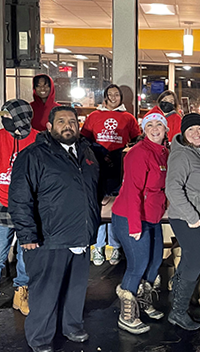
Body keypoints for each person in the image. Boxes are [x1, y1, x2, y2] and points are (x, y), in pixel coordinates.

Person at [9, 106, 100, 352]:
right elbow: (19, 197)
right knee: (45, 291)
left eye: (72, 121)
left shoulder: (86, 152)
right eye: (61, 121)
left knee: (76, 286)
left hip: (80, 233)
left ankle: (72, 326)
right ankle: (39, 336)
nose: (68, 125)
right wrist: (27, 234)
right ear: (49, 127)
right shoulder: (34, 155)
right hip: (48, 236)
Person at [0, 99, 39, 330]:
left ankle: (21, 293)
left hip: (29, 209)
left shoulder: (38, 138)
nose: (4, 121)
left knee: (25, 255)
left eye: (9, 116)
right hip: (2, 205)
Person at [111, 112, 170, 335]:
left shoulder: (164, 152)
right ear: (144, 129)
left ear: (166, 129)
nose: (155, 129)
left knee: (155, 262)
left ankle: (143, 303)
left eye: (159, 125)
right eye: (150, 125)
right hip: (130, 216)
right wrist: (135, 226)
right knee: (138, 264)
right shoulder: (137, 154)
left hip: (152, 217)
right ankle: (127, 314)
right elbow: (132, 192)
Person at [81, 84, 141, 266]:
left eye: (117, 94)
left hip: (118, 166)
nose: (114, 97)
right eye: (110, 94)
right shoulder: (94, 116)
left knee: (116, 205)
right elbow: (85, 139)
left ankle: (115, 246)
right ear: (105, 96)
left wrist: (119, 155)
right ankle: (97, 245)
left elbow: (135, 140)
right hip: (97, 164)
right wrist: (99, 153)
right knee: (98, 204)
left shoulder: (128, 118)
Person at [165, 113, 200, 331]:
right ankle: (178, 312)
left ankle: (177, 301)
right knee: (195, 262)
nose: (196, 134)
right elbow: (173, 188)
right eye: (191, 130)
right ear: (183, 133)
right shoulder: (182, 155)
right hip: (186, 218)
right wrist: (192, 216)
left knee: (188, 260)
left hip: (198, 218)